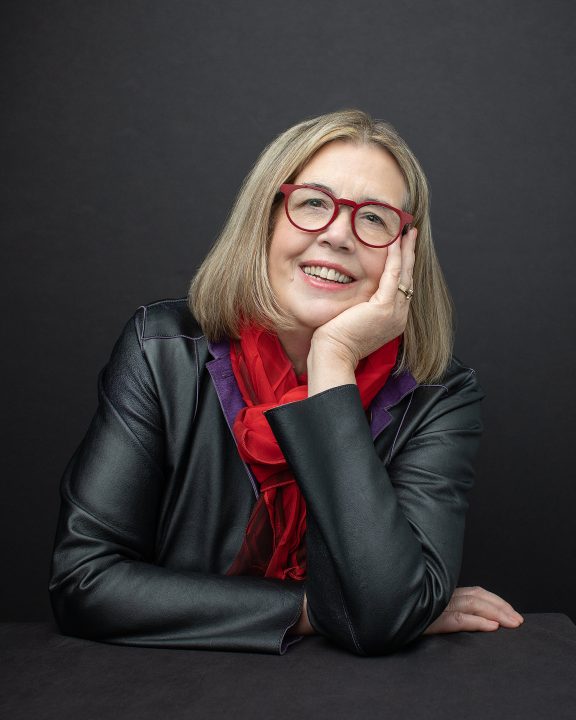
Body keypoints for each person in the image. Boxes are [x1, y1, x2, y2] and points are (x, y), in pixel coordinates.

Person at [49, 109, 523, 656]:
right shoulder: (159, 349)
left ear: (405, 254)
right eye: (314, 203)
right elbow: (84, 582)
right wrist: (312, 609)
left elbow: (384, 617)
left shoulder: (441, 394)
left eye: (374, 219)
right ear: (266, 219)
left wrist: (334, 360)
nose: (339, 235)